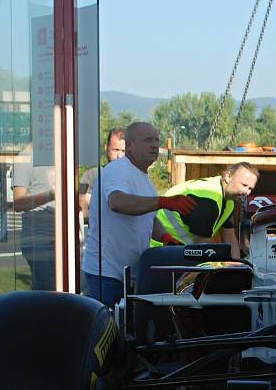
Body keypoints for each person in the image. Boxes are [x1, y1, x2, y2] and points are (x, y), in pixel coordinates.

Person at [81, 122, 197, 309]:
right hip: (105, 275)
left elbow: (148, 217)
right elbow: (117, 202)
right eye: (147, 140)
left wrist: (164, 236)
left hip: (128, 274)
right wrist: (164, 202)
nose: (154, 145)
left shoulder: (144, 178)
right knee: (107, 330)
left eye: (156, 140)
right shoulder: (118, 170)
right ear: (129, 145)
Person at [153, 162, 259, 258]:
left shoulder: (228, 200)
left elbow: (230, 239)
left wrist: (239, 268)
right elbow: (202, 250)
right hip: (159, 247)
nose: (247, 192)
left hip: (176, 248)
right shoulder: (209, 200)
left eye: (250, 188)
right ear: (228, 176)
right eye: (244, 185)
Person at [13, 143, 57, 290]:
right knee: (46, 294)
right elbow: (18, 203)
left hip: (61, 238)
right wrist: (51, 195)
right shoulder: (25, 159)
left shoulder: (56, 156)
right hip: (40, 241)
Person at [79, 128, 126, 223]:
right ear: (106, 148)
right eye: (116, 150)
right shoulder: (92, 176)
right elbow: (86, 208)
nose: (120, 155)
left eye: (124, 151)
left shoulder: (135, 179)